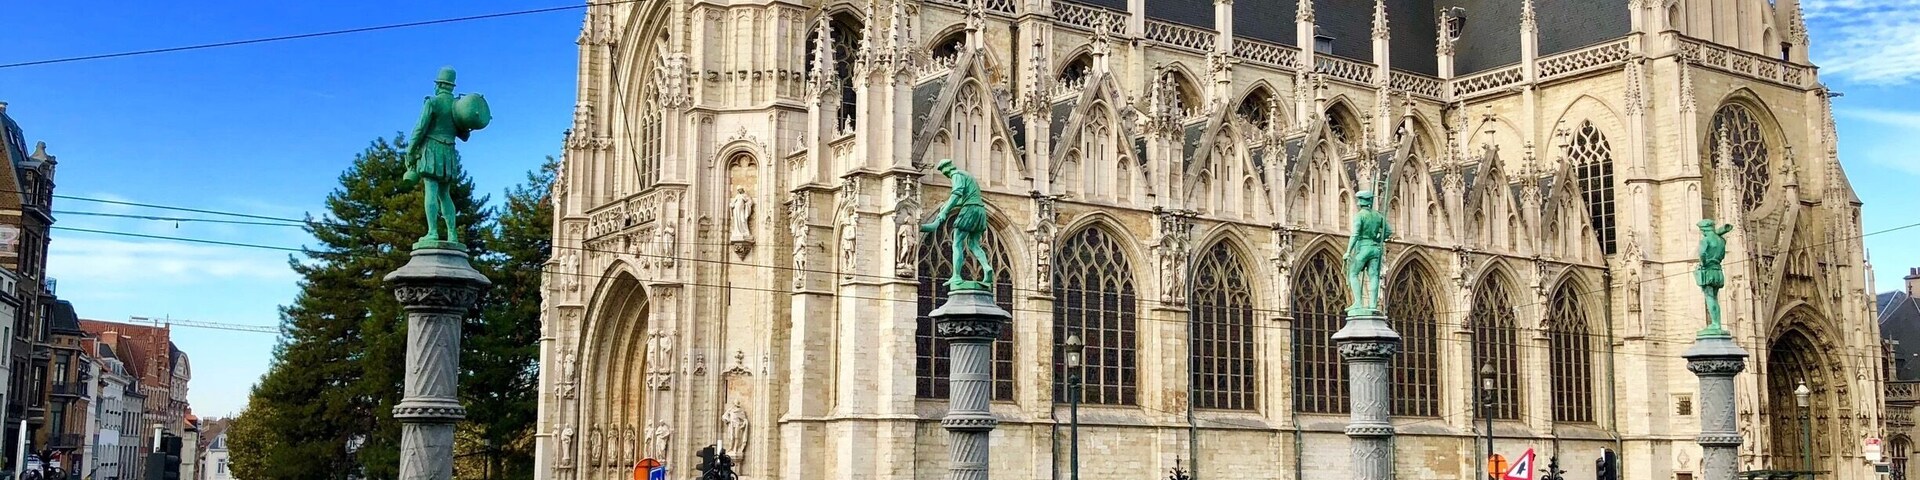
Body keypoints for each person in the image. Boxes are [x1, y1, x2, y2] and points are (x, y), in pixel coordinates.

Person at [919, 159, 994, 288]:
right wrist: (945, 208)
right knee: (974, 244)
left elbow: (956, 194)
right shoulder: (968, 176)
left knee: (957, 243)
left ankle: (956, 276)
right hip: (980, 211)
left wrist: (945, 211)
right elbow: (965, 198)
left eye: (944, 172)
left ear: (947, 169)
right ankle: (987, 267)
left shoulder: (956, 175)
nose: (946, 175)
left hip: (969, 210)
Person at [1344, 190, 1392, 313]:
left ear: (1360, 202)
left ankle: (1358, 303)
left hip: (1363, 248)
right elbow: (1388, 231)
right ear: (1370, 201)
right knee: (1374, 276)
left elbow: (1355, 234)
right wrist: (1377, 239)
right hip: (1375, 248)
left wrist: (1348, 251)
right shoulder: (1378, 216)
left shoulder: (1360, 216)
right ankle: (1372, 305)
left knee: (1353, 274)